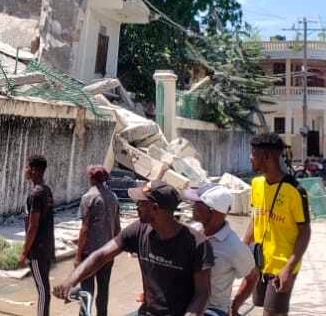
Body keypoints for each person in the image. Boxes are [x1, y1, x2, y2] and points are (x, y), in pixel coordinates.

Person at [54, 180, 213, 316]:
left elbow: (202, 293)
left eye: (140, 203)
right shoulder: (139, 230)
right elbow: (102, 255)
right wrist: (72, 280)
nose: (136, 207)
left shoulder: (197, 244)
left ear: (155, 209)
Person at [233, 134, 311, 316]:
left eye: (253, 154)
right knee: (252, 302)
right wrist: (242, 248)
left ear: (267, 156)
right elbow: (255, 218)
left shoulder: (295, 191)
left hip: (282, 265)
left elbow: (305, 232)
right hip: (260, 260)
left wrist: (288, 269)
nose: (250, 158)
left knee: (272, 312)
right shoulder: (256, 184)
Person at [185, 183, 255, 316]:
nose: (192, 206)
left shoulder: (233, 246)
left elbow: (252, 277)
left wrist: (235, 307)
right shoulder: (192, 232)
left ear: (211, 211)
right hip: (187, 302)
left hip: (212, 309)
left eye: (197, 204)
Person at [75, 165, 121, 316]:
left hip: (90, 253)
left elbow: (85, 229)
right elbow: (117, 228)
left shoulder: (88, 197)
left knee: (86, 290)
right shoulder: (113, 197)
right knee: (103, 291)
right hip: (108, 252)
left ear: (92, 178)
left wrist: (78, 255)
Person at [20, 155, 55, 316]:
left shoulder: (35, 194)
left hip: (38, 250)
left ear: (34, 170)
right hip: (46, 247)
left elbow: (33, 226)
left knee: (42, 290)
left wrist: (24, 252)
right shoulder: (46, 191)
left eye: (27, 167)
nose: (25, 170)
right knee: (44, 288)